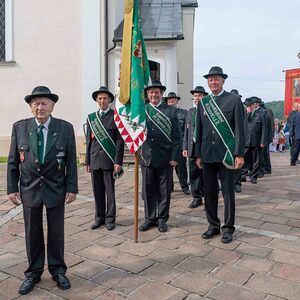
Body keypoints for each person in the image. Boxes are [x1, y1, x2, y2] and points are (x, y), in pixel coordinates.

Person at [7, 86, 78, 295]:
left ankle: (58, 271)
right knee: (32, 233)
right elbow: (12, 161)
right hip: (29, 189)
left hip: (56, 188)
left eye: (44, 103)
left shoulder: (65, 128)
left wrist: (72, 187)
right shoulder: (19, 128)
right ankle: (33, 273)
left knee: (56, 233)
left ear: (52, 106)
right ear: (30, 107)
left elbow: (70, 161)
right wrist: (12, 187)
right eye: (36, 103)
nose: (40, 107)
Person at [195, 66, 245, 243]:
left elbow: (240, 128)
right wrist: (198, 155)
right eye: (210, 79)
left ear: (223, 81)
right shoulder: (203, 102)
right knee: (209, 193)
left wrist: (239, 153)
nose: (213, 82)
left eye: (216, 79)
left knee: (228, 193)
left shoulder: (234, 100)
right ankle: (213, 225)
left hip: (227, 155)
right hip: (207, 155)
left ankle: (228, 228)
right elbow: (198, 131)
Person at [138, 80, 181, 233]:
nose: (154, 95)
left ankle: (162, 219)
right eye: (151, 92)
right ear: (147, 94)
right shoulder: (142, 110)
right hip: (146, 157)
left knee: (164, 191)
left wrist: (175, 157)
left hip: (165, 158)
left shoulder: (171, 111)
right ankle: (149, 218)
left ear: (161, 94)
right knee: (148, 189)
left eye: (157, 92)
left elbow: (177, 137)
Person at [85, 86, 124, 231]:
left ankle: (110, 218)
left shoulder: (116, 117)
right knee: (97, 191)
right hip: (95, 160)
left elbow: (120, 141)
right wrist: (87, 161)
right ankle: (99, 217)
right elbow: (89, 141)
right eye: (100, 98)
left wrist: (117, 161)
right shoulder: (91, 118)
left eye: (105, 98)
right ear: (96, 100)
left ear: (109, 100)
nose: (102, 101)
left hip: (109, 160)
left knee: (110, 192)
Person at [183, 86, 208, 208]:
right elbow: (186, 132)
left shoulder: (208, 111)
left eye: (200, 95)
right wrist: (185, 147)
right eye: (196, 95)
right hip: (192, 148)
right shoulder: (190, 112)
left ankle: (208, 199)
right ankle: (196, 198)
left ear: (204, 97)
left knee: (206, 175)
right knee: (193, 175)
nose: (197, 98)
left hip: (204, 149)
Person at [164, 92, 190, 195]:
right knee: (167, 167)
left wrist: (185, 146)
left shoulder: (184, 113)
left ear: (177, 101)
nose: (171, 103)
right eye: (169, 101)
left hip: (179, 145)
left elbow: (186, 131)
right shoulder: (164, 113)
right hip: (167, 146)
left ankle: (184, 187)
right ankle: (169, 187)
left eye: (173, 101)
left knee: (181, 168)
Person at [230, 89, 249, 193]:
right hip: (228, 140)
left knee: (237, 162)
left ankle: (237, 183)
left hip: (238, 139)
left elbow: (244, 126)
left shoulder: (242, 108)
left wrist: (244, 141)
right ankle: (230, 182)